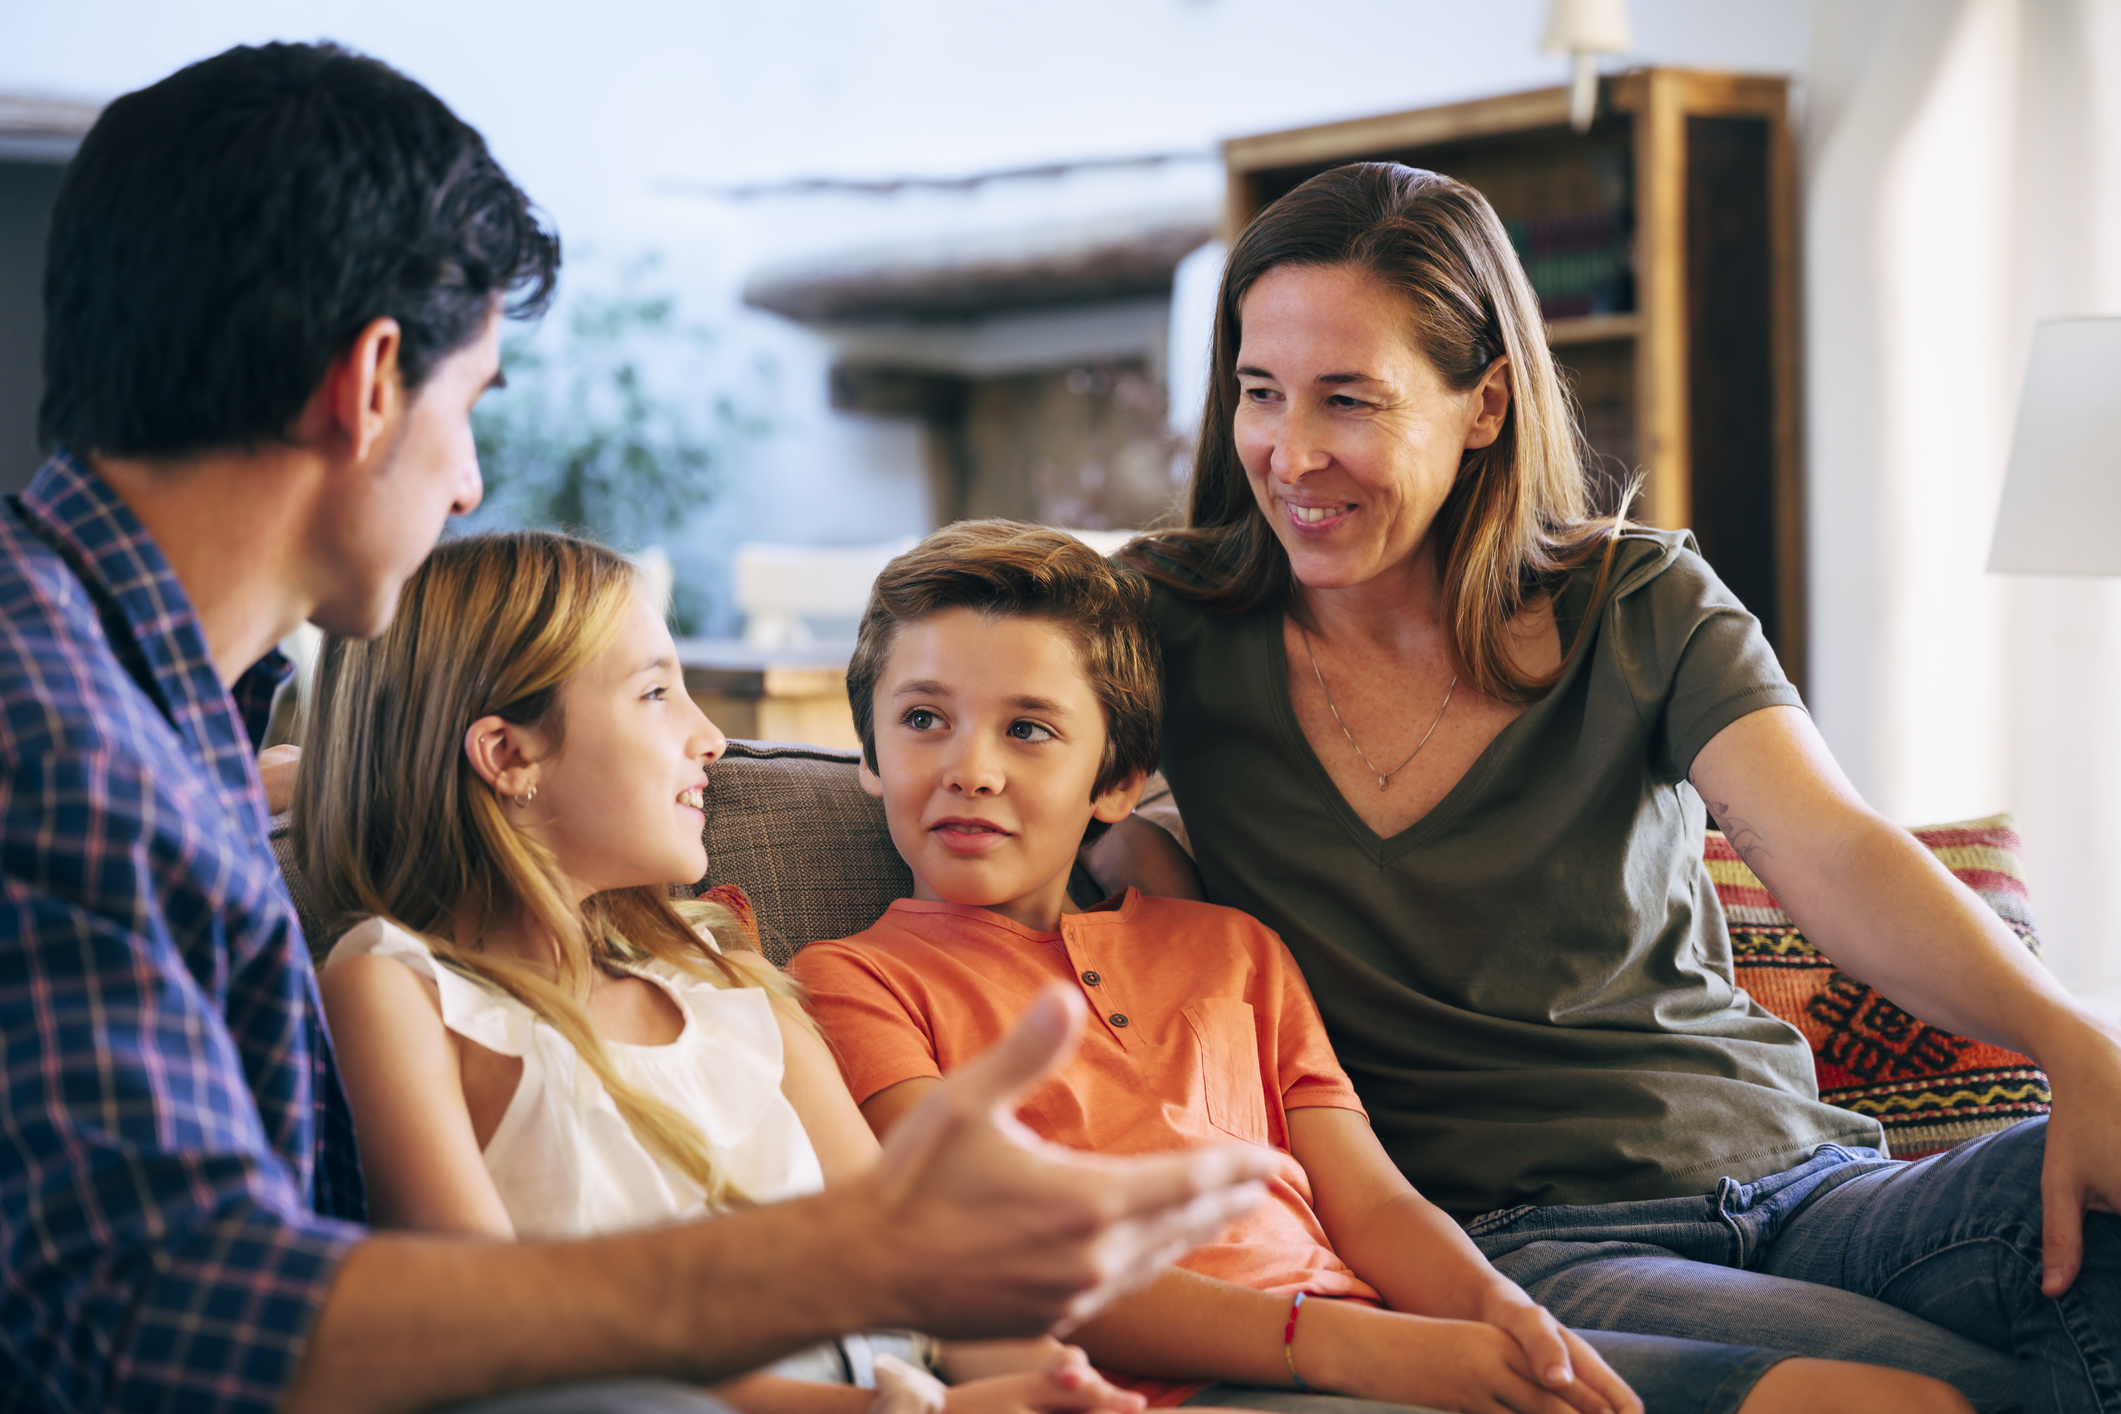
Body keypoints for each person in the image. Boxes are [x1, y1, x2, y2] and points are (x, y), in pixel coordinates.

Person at [0, 43, 1274, 1414]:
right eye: (471, 404)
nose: (467, 484)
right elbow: (164, 1316)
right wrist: (845, 1259)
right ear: (370, 383)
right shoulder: (63, 747)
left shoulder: (136, 726)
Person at [1075, 161, 2121, 1413]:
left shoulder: (1639, 600)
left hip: (1813, 1182)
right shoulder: (1169, 626)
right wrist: (1136, 854)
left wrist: (2075, 1043)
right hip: (1524, 1242)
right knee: (1946, 1392)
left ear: (1484, 403)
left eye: (1348, 400)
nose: (1290, 454)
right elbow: (990, 735)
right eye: (1260, 393)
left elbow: (1833, 850)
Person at [788, 521, 1970, 1414]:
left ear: (1117, 781)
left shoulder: (1230, 948)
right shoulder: (851, 984)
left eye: (1030, 729)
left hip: (1380, 1340)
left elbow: (1374, 1201)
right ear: (868, 754)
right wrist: (1359, 1347)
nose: (972, 768)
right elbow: (1000, 1263)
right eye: (924, 719)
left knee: (1889, 1398)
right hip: (1206, 1381)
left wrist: (1501, 1316)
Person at [301, 528, 1150, 1414]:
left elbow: (911, 1264)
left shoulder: (722, 976)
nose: (709, 738)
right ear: (509, 755)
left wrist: (1063, 1384)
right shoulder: (397, 996)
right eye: (655, 693)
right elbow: (495, 1343)